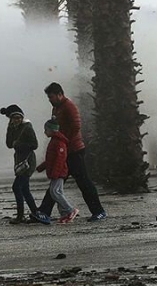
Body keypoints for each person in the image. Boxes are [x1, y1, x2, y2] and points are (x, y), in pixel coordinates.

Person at [32, 82, 107, 223]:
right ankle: (43, 212)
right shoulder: (56, 108)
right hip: (63, 151)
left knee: (83, 182)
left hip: (74, 151)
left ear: (60, 94)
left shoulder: (69, 106)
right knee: (56, 183)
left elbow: (76, 126)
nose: (50, 100)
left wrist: (64, 142)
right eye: (49, 97)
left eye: (52, 97)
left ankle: (98, 211)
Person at [35, 119, 79, 224]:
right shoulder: (55, 141)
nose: (45, 132)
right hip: (56, 172)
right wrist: (41, 167)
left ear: (52, 130)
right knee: (57, 192)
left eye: (46, 130)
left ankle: (70, 210)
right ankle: (64, 213)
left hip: (59, 173)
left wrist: (55, 173)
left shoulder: (59, 142)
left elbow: (60, 159)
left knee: (55, 192)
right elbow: (51, 159)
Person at [1, 104, 38, 224]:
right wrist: (10, 128)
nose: (17, 120)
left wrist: (18, 145)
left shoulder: (27, 128)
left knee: (16, 187)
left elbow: (34, 145)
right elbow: (9, 144)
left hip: (28, 162)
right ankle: (36, 214)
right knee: (25, 189)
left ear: (22, 118)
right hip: (20, 163)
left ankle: (20, 216)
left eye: (18, 118)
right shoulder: (14, 128)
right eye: (14, 118)